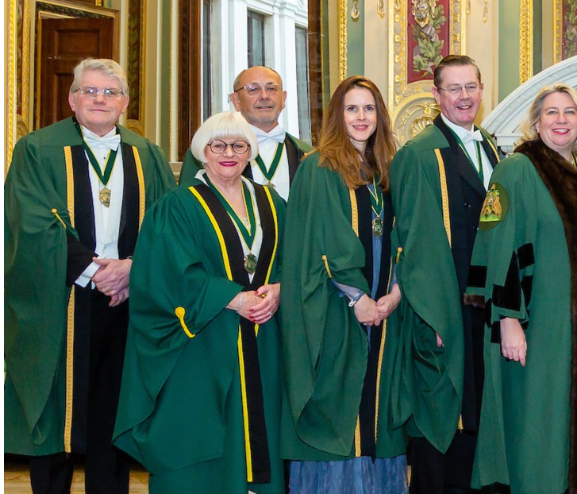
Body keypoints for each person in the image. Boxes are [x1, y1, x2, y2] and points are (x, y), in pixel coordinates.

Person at [5, 57, 173, 494]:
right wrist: (91, 271)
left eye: (110, 92)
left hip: (127, 301)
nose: (100, 100)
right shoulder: (37, 149)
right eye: (90, 91)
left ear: (125, 103)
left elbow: (168, 224)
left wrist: (132, 269)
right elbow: (31, 221)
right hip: (60, 299)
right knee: (54, 411)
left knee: (112, 411)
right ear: (72, 99)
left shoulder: (146, 155)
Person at [113, 111, 288, 492]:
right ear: (202, 152)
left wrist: (279, 288)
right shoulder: (177, 206)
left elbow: (296, 259)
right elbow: (165, 272)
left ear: (250, 152)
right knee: (200, 438)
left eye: (239, 145)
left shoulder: (271, 201)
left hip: (264, 340)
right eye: (218, 145)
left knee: (263, 436)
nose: (229, 153)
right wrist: (232, 298)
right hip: (202, 340)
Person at [467, 83, 577, 494]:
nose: (561, 120)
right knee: (539, 425)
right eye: (551, 113)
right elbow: (498, 245)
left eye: (570, 112)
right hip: (540, 323)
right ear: (535, 122)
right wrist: (509, 320)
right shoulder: (518, 169)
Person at [279, 76, 412, 493]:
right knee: (342, 406)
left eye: (369, 109)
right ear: (338, 114)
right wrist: (358, 299)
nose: (360, 117)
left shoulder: (386, 169)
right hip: (337, 313)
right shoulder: (319, 167)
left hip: (384, 312)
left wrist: (395, 290)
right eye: (351, 108)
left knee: (377, 411)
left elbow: (404, 234)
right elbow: (322, 242)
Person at [390, 54, 492, 494]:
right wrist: (433, 316)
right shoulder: (419, 154)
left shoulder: (489, 146)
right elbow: (413, 244)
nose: (464, 97)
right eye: (454, 88)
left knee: (476, 414)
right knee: (441, 414)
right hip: (444, 312)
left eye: (471, 87)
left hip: (483, 311)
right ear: (436, 95)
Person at [179, 66, 314, 196]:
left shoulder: (308, 153)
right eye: (253, 89)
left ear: (283, 98)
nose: (264, 96)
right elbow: (188, 206)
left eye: (271, 88)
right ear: (236, 100)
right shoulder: (206, 151)